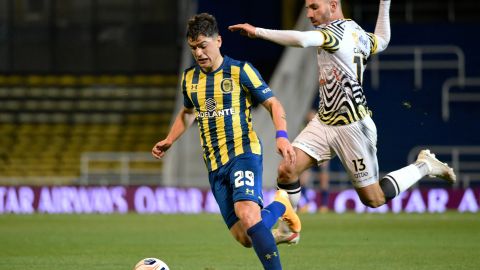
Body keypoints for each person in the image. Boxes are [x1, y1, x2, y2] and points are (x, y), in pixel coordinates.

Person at [229, 0, 456, 244]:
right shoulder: (357, 33)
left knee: (374, 199)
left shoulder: (334, 32)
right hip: (324, 122)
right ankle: (289, 229)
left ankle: (424, 165)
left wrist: (258, 32)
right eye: (307, 8)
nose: (309, 14)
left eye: (315, 7)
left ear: (333, 5)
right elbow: (383, 39)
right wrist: (384, 4)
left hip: (353, 127)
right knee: (287, 169)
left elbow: (303, 40)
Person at [152, 13, 300, 270]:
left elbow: (273, 103)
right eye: (193, 48)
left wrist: (282, 135)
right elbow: (188, 113)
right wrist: (169, 139)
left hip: (243, 153)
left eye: (203, 45)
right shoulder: (189, 79)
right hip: (215, 166)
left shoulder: (240, 71)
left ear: (218, 41)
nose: (198, 53)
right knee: (245, 237)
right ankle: (281, 204)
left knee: (248, 213)